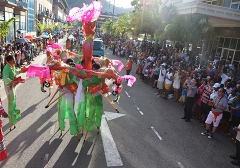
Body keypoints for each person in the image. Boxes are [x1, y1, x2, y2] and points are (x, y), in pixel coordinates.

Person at [2, 56, 23, 130]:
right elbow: (6, 79)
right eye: (13, 60)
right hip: (9, 88)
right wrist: (14, 81)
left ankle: (14, 119)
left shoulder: (12, 66)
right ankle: (11, 121)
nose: (15, 60)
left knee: (14, 102)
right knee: (11, 104)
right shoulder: (6, 68)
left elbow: (15, 72)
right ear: (9, 61)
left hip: (12, 87)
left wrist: (22, 71)